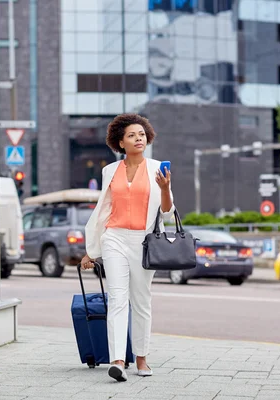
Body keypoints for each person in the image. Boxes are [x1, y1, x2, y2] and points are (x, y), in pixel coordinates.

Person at [81, 113, 174, 382]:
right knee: (118, 299)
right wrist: (93, 249)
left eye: (142, 135)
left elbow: (167, 212)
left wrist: (165, 188)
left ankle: (142, 358)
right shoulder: (110, 171)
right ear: (120, 143)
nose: (138, 139)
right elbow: (103, 211)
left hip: (145, 241)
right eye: (132, 135)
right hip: (115, 237)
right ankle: (118, 361)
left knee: (141, 300)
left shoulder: (158, 168)